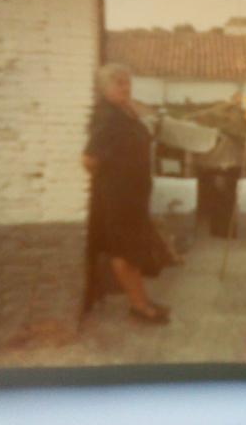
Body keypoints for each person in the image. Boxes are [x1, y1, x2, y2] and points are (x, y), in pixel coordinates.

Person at [81, 63, 175, 324]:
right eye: (119, 83)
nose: (126, 87)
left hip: (131, 196)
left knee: (130, 249)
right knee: (123, 251)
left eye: (127, 82)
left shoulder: (122, 111)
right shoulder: (107, 117)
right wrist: (113, 182)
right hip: (118, 198)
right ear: (104, 88)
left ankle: (141, 300)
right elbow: (88, 159)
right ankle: (139, 306)